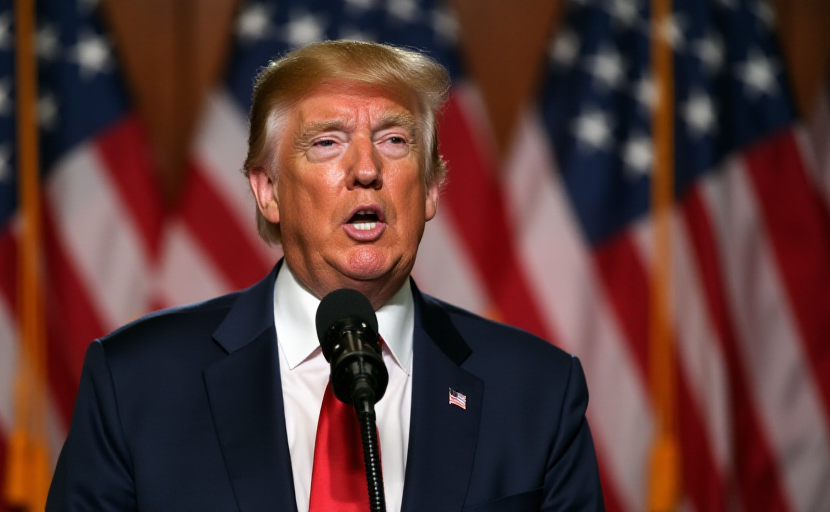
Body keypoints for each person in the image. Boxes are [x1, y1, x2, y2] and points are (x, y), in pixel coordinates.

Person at [47, 40, 604, 512]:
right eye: (327, 142)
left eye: (394, 140)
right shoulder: (136, 382)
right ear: (268, 191)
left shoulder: (537, 394)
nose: (366, 169)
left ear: (431, 188)